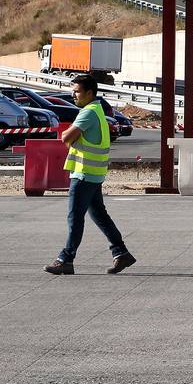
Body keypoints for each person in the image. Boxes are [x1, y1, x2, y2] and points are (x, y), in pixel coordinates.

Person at [45, 74, 135, 276]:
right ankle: (121, 253)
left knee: (75, 218)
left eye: (77, 91)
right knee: (100, 216)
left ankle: (66, 259)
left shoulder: (87, 113)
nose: (73, 95)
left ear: (89, 92)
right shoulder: (98, 110)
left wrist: (69, 137)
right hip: (94, 174)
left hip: (84, 174)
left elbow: (65, 137)